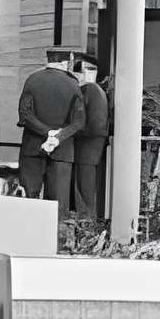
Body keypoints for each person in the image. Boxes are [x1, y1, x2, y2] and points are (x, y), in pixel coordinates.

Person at [16, 44, 86, 206]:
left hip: (32, 147)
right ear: (65, 62)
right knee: (58, 204)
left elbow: (24, 115)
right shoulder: (73, 85)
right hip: (62, 150)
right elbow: (79, 121)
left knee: (28, 199)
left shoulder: (32, 80)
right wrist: (58, 136)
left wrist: (47, 132)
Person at [71, 55, 111, 220]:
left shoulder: (90, 90)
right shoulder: (96, 90)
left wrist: (73, 131)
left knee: (84, 187)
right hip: (91, 146)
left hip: (87, 147)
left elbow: (95, 124)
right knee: (85, 185)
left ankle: (86, 221)